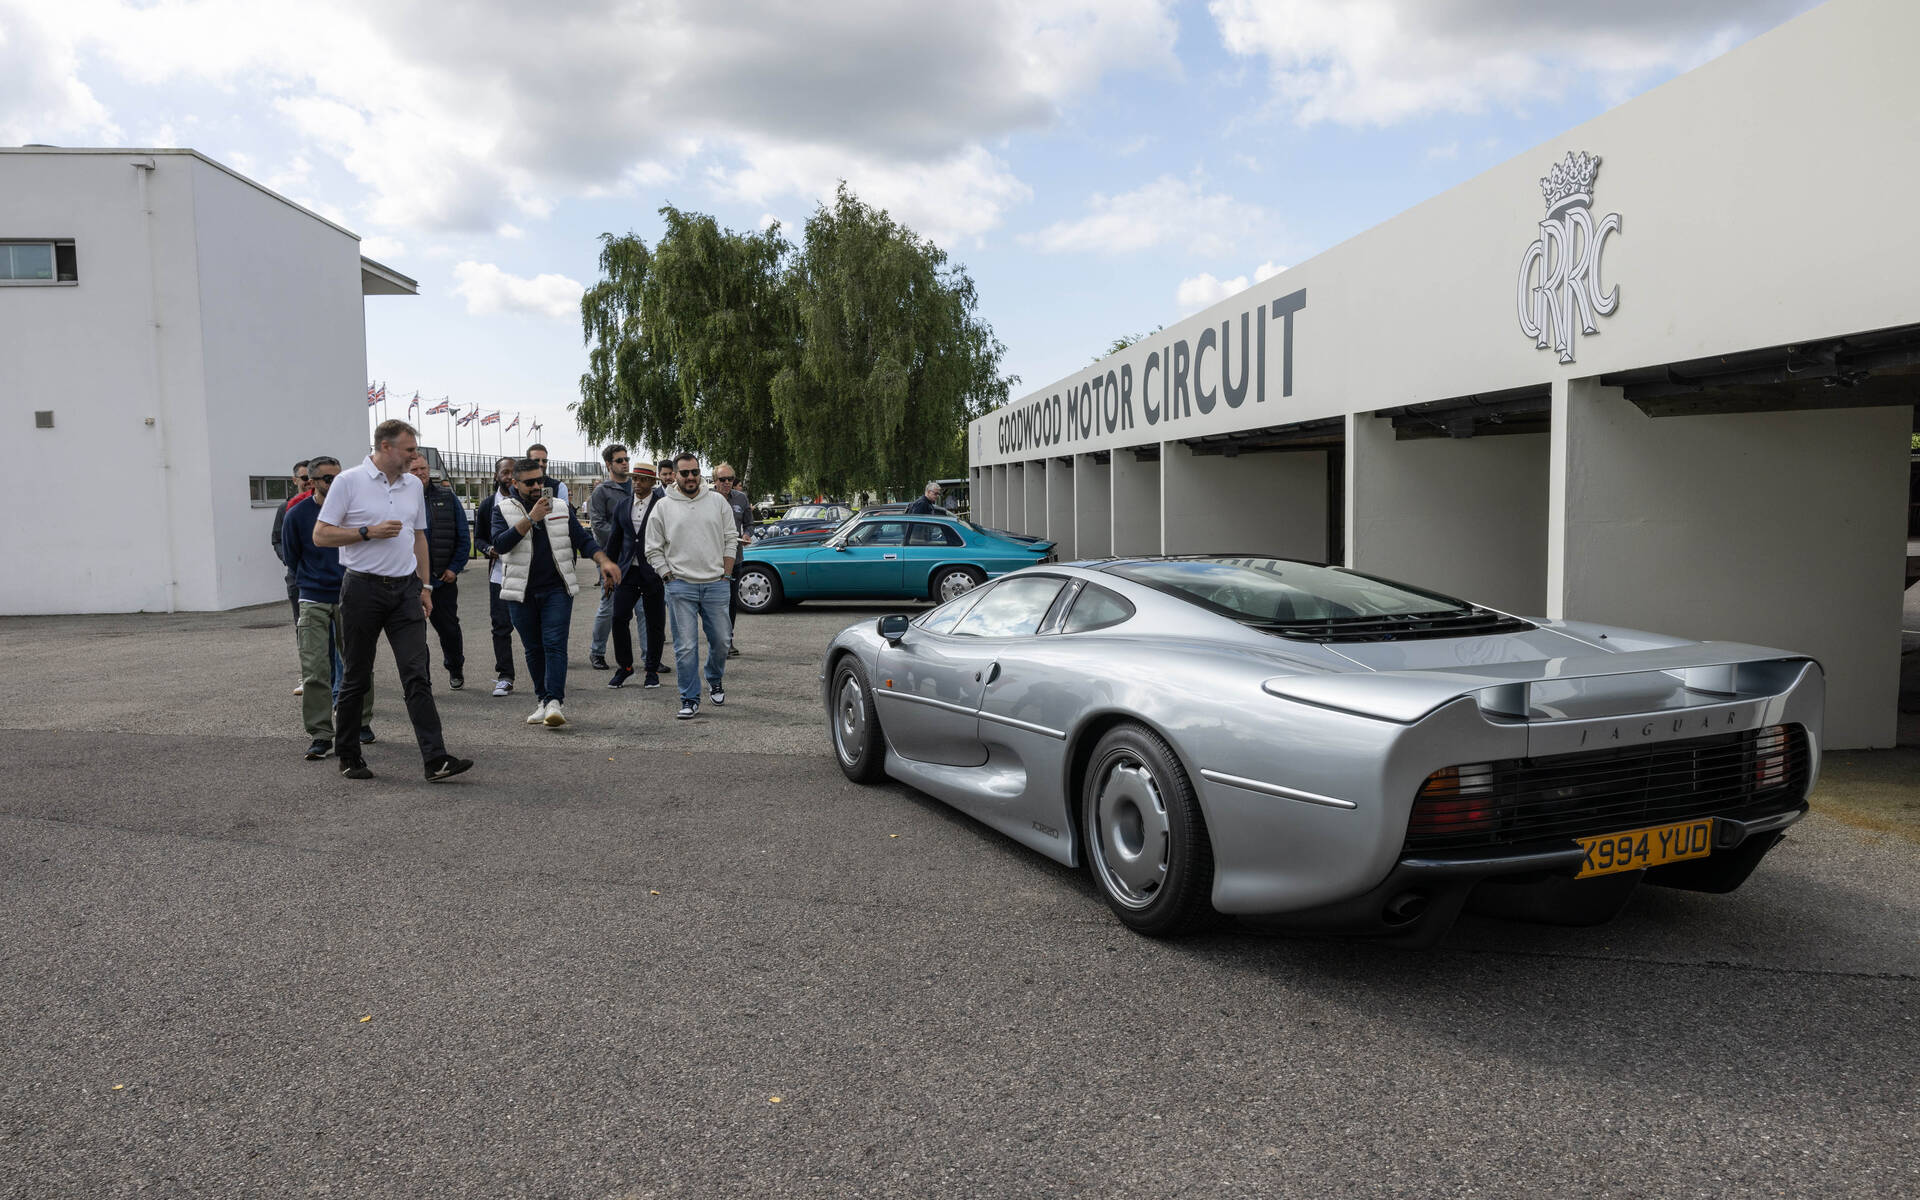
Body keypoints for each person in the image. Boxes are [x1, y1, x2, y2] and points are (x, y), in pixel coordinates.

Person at [312, 419, 473, 782]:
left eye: (415, 450)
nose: (415, 456)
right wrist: (366, 533)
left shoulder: (412, 485)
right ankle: (349, 755)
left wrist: (426, 586)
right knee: (356, 676)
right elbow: (321, 535)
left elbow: (419, 538)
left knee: (418, 675)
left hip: (405, 591)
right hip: (362, 589)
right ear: (386, 447)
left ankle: (435, 759)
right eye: (409, 450)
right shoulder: (349, 482)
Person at [492, 457, 622, 728]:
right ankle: (542, 700)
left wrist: (604, 561)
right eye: (530, 482)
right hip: (521, 592)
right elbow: (501, 545)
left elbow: (583, 540)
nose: (538, 486)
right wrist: (530, 519)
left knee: (554, 644)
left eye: (541, 479)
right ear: (515, 483)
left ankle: (554, 702)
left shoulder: (560, 507)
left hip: (556, 589)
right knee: (533, 648)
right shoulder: (502, 509)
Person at [280, 456, 374, 760]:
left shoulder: (353, 511)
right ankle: (321, 734)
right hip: (313, 597)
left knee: (357, 664)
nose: (334, 484)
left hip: (351, 595)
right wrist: (310, 581)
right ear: (312, 482)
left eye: (338, 477)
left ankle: (360, 724)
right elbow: (291, 556)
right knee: (315, 669)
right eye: (327, 479)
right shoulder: (297, 514)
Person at [645, 452, 738, 719]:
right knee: (685, 646)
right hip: (680, 586)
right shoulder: (663, 506)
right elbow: (653, 548)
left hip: (716, 584)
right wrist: (667, 576)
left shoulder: (718, 501)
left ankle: (714, 677)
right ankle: (689, 698)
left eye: (695, 472)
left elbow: (731, 539)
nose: (690, 477)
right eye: (684, 473)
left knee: (722, 641)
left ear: (700, 473)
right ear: (675, 475)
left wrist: (726, 574)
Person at [602, 464, 667, 689]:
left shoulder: (662, 506)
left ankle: (652, 669)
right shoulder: (623, 505)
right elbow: (615, 540)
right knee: (619, 618)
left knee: (654, 623)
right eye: (635, 479)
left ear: (652, 483)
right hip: (627, 571)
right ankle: (625, 667)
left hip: (653, 572)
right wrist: (609, 572)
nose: (637, 483)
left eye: (641, 480)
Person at [409, 457, 469, 689]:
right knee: (414, 635)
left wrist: (454, 567)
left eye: (423, 468)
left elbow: (463, 536)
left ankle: (455, 667)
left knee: (449, 630)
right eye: (414, 469)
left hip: (441, 580)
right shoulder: (396, 499)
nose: (420, 473)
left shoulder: (447, 497)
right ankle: (421, 679)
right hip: (410, 582)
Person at [585, 444, 635, 670]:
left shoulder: (636, 486)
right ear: (609, 464)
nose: (625, 463)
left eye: (626, 459)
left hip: (637, 556)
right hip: (610, 557)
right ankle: (597, 652)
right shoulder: (602, 491)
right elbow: (598, 525)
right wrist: (622, 542)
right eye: (619, 460)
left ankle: (650, 657)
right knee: (609, 605)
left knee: (643, 607)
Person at [474, 456, 518, 697]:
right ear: (496, 476)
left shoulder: (526, 502)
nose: (510, 476)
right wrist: (488, 549)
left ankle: (543, 674)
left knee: (534, 626)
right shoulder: (487, 505)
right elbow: (479, 538)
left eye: (513, 472)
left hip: (527, 575)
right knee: (501, 627)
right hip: (499, 575)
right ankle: (505, 676)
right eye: (505, 472)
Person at [270, 459, 312, 694]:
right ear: (295, 480)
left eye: (312, 478)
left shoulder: (328, 504)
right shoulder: (285, 509)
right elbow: (277, 540)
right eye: (304, 478)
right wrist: (290, 559)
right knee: (303, 627)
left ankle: (340, 676)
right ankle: (309, 676)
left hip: (327, 578)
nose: (309, 483)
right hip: (297, 578)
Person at [713, 462, 750, 658]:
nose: (727, 483)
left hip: (735, 558)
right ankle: (718, 641)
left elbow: (749, 524)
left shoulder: (741, 499)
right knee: (715, 603)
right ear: (714, 481)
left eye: (730, 479)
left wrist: (747, 535)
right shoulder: (707, 499)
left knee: (730, 602)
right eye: (722, 479)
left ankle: (728, 640)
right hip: (711, 560)